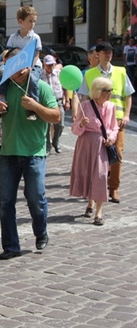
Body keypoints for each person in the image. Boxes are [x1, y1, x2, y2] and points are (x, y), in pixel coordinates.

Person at [0, 48, 60, 260]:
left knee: (36, 198)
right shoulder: (2, 89)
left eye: (18, 64)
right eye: (9, 66)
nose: (15, 70)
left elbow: (56, 117)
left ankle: (41, 232)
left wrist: (36, 106)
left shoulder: (41, 88)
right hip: (8, 152)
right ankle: (11, 246)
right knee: (6, 202)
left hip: (34, 153)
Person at [78, 41, 134, 204]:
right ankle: (93, 188)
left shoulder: (121, 72)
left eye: (110, 51)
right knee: (96, 157)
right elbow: (83, 97)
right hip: (95, 121)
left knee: (117, 153)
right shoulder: (89, 74)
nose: (108, 54)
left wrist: (126, 115)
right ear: (98, 54)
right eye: (105, 52)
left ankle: (113, 187)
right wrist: (82, 117)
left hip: (116, 118)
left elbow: (128, 95)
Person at [70, 77, 118, 226]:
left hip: (102, 145)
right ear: (98, 91)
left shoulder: (111, 106)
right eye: (107, 91)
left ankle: (99, 212)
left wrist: (111, 136)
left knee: (101, 176)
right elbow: (75, 129)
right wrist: (81, 124)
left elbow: (114, 126)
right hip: (86, 144)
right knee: (88, 174)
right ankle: (90, 203)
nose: (110, 93)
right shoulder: (85, 106)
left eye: (111, 90)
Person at [0, 6, 43, 121]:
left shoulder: (35, 37)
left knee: (32, 78)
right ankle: (2, 98)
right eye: (30, 21)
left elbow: (36, 55)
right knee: (1, 73)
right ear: (20, 21)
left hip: (33, 65)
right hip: (16, 65)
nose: (32, 24)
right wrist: (7, 64)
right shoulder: (13, 38)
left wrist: (29, 68)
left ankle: (33, 107)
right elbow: (8, 53)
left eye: (34, 21)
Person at [40, 54, 70, 155]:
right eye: (48, 65)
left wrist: (67, 101)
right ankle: (47, 146)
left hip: (59, 101)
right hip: (45, 103)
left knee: (60, 125)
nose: (51, 67)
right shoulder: (40, 75)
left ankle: (55, 141)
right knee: (47, 126)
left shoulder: (59, 74)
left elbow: (65, 87)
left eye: (52, 64)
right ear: (44, 64)